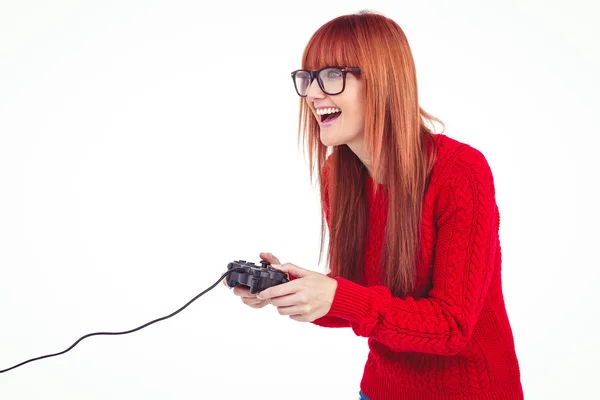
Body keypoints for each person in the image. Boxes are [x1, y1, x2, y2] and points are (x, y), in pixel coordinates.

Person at [224, 10, 523, 400]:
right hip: (380, 390)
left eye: (332, 75)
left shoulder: (460, 172)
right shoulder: (339, 175)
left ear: (383, 81)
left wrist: (336, 295)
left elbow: (451, 326)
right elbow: (364, 300)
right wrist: (295, 289)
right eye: (308, 78)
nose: (314, 94)